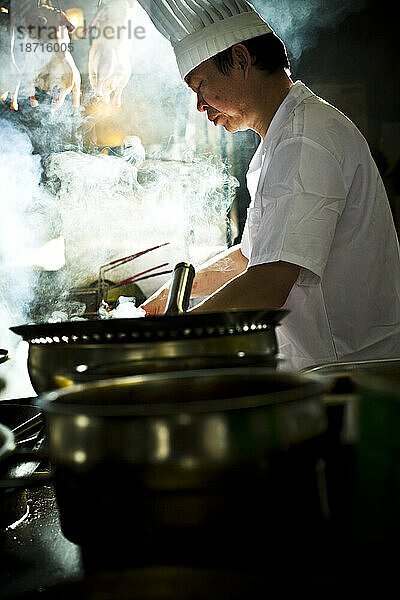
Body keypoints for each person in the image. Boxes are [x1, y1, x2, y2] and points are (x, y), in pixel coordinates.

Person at [138, 0, 400, 370]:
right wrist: (172, 296)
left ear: (242, 60)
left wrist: (173, 334)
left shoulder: (303, 139)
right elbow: (251, 257)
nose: (199, 105)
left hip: (352, 376)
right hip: (325, 369)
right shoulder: (284, 136)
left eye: (200, 85)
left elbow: (270, 280)